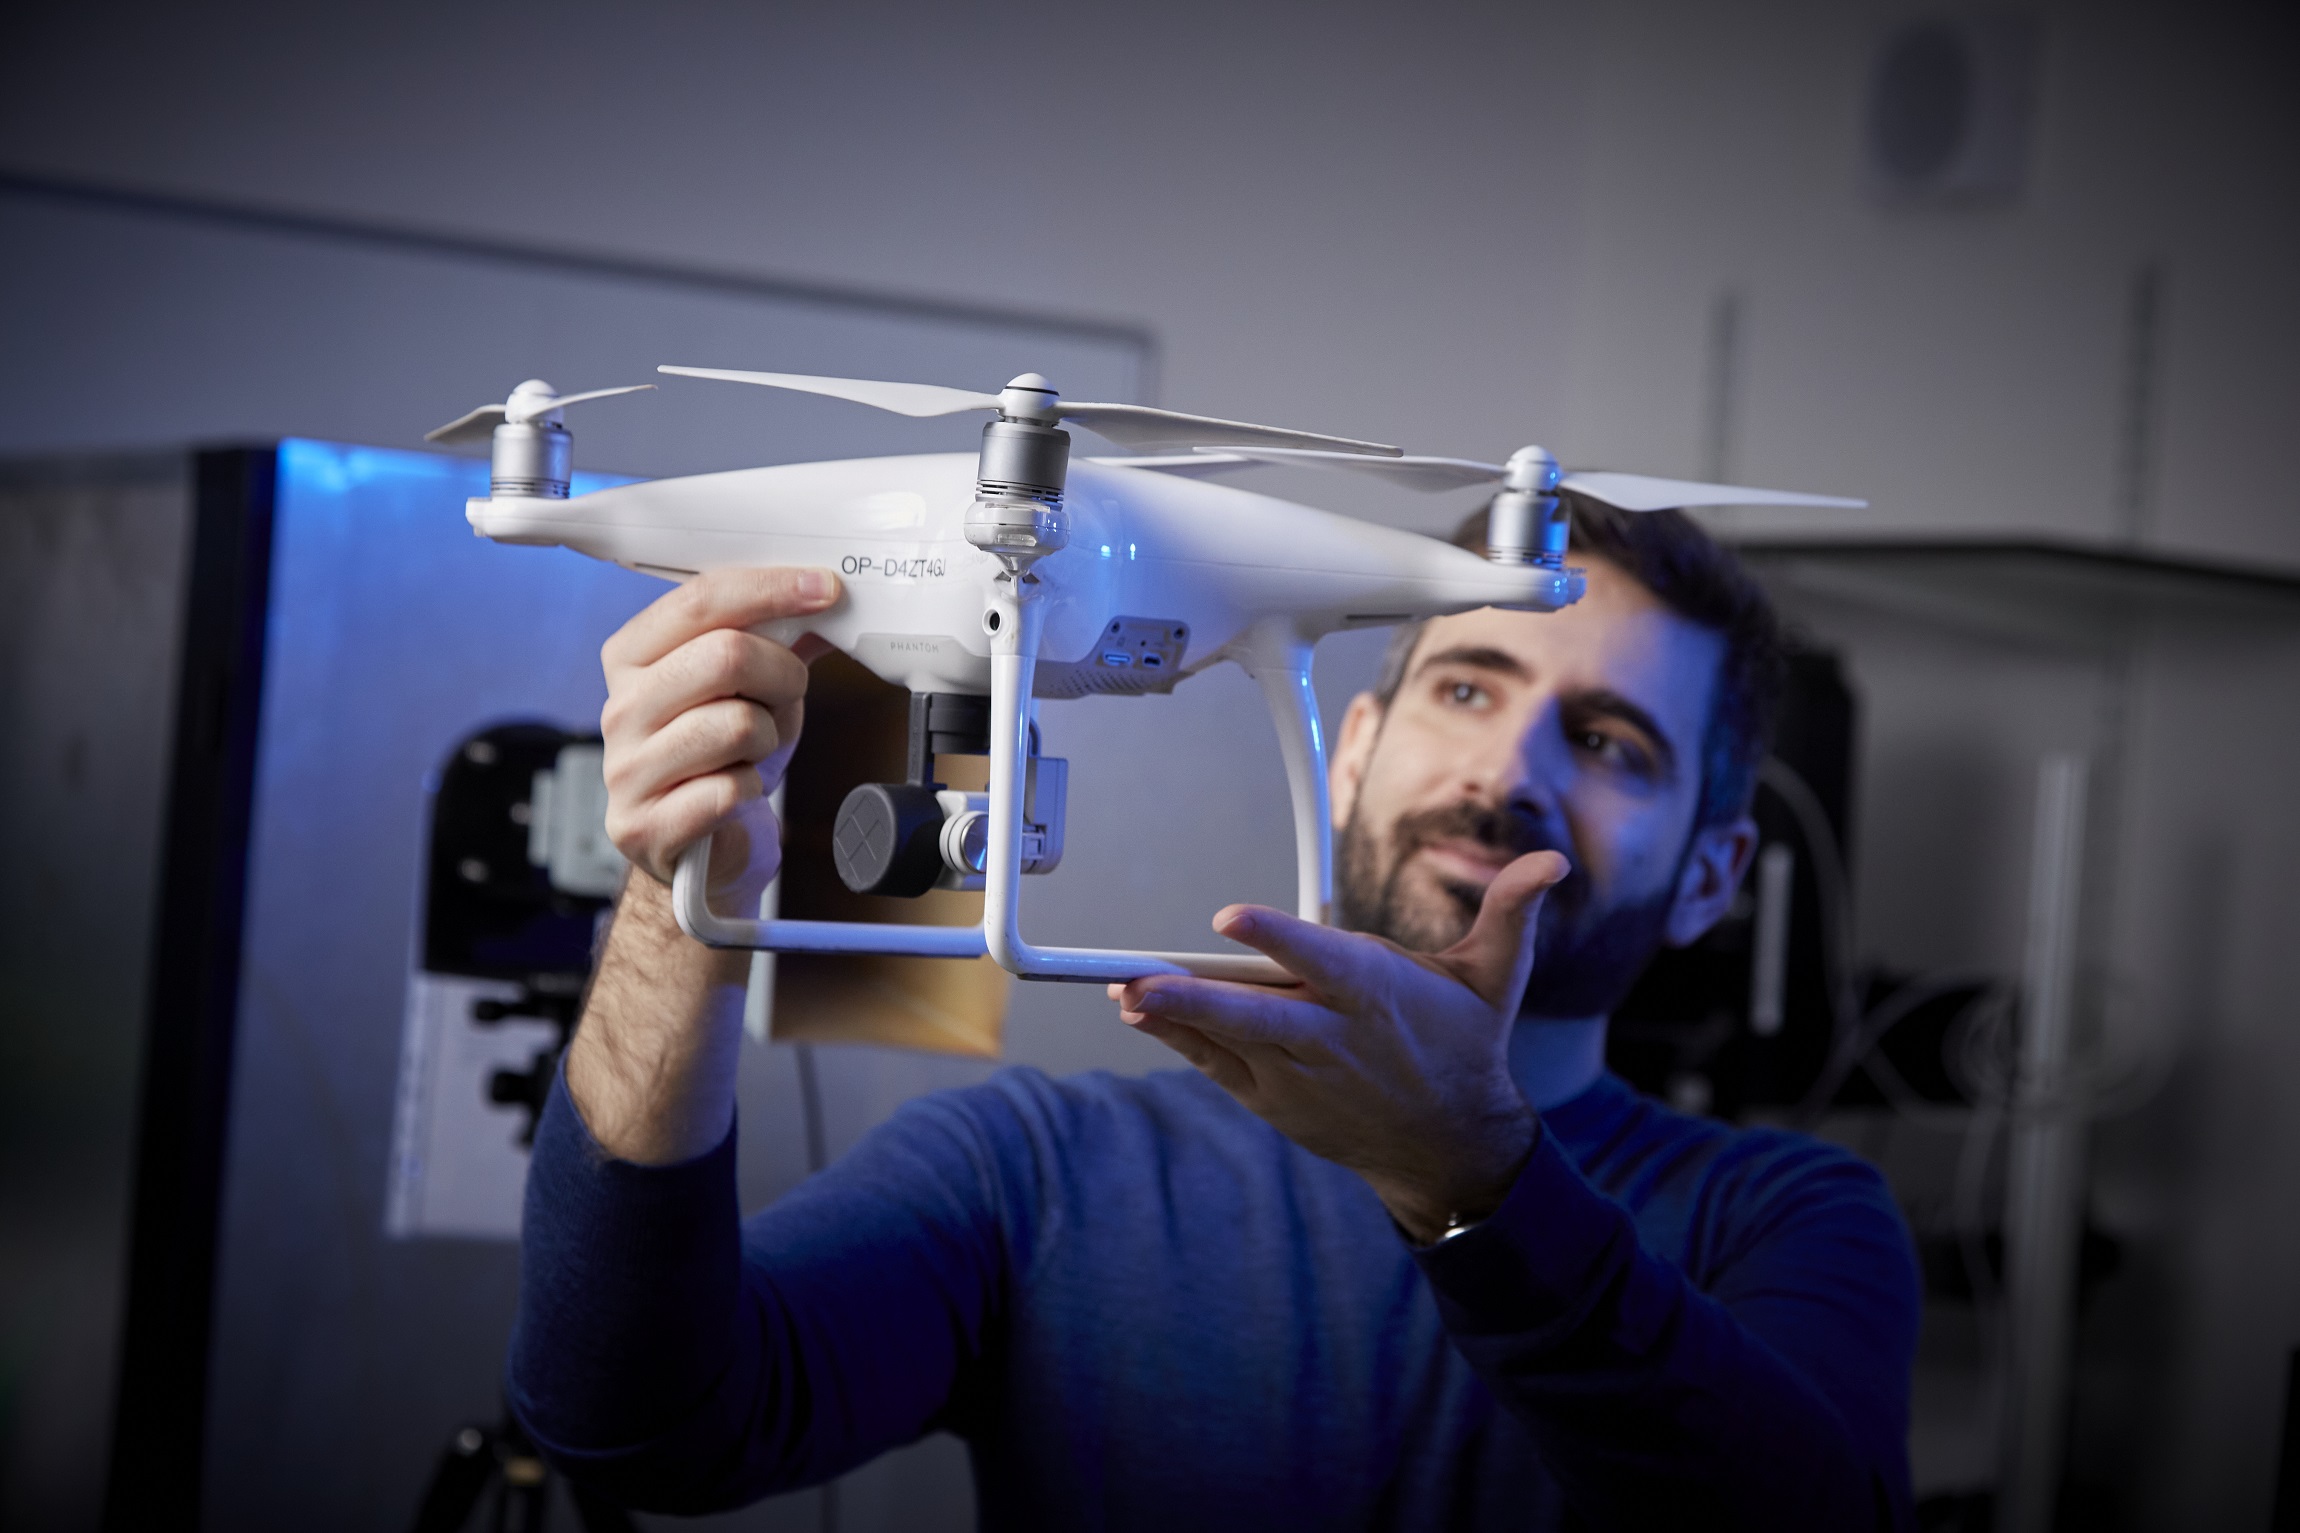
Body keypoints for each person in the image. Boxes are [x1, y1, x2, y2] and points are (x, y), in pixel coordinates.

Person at [508, 499, 1921, 1531]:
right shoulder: (1033, 1175)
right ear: (1353, 751)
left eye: (1608, 741)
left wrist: (1474, 1182)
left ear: (1713, 875)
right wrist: (679, 898)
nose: (1507, 775)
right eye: (1466, 686)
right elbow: (636, 1426)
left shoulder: (1789, 1220)